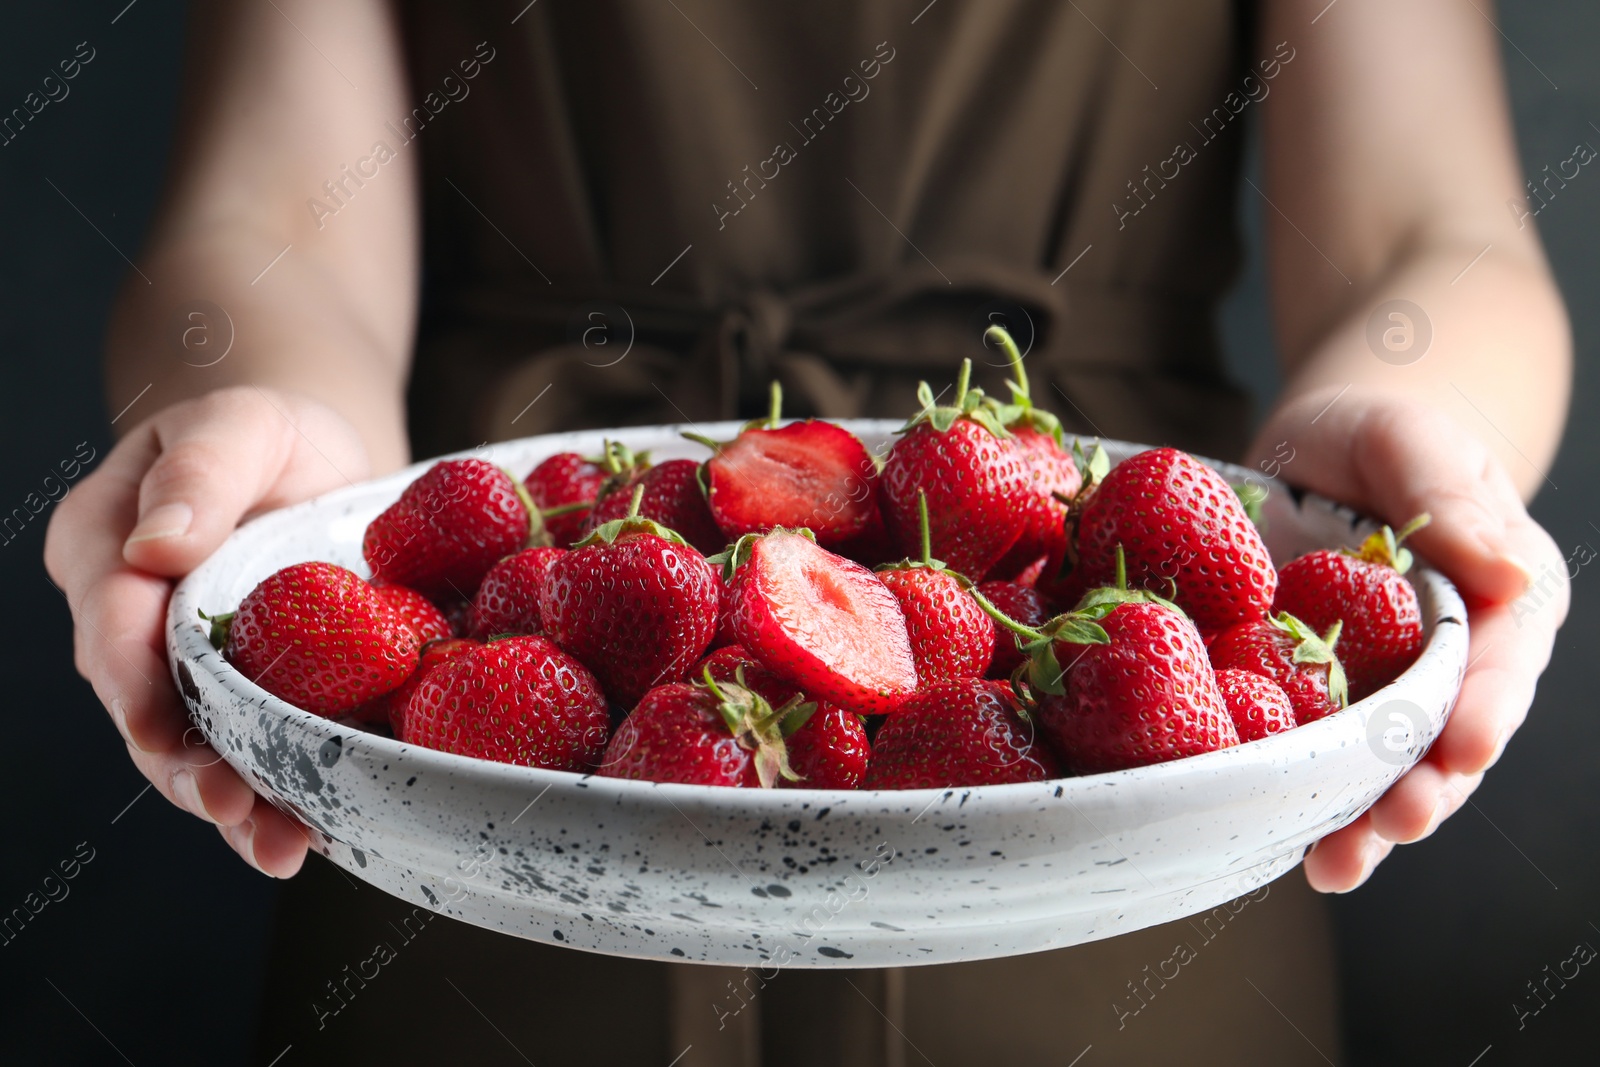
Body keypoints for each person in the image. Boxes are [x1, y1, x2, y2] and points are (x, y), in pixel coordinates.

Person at [44, 0, 1570, 1064]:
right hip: (491, 786)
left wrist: (1400, 459)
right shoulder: (524, 618)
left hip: (1120, 761)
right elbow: (272, 220)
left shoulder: (1140, 649)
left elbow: (1429, 238)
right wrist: (278, 453)